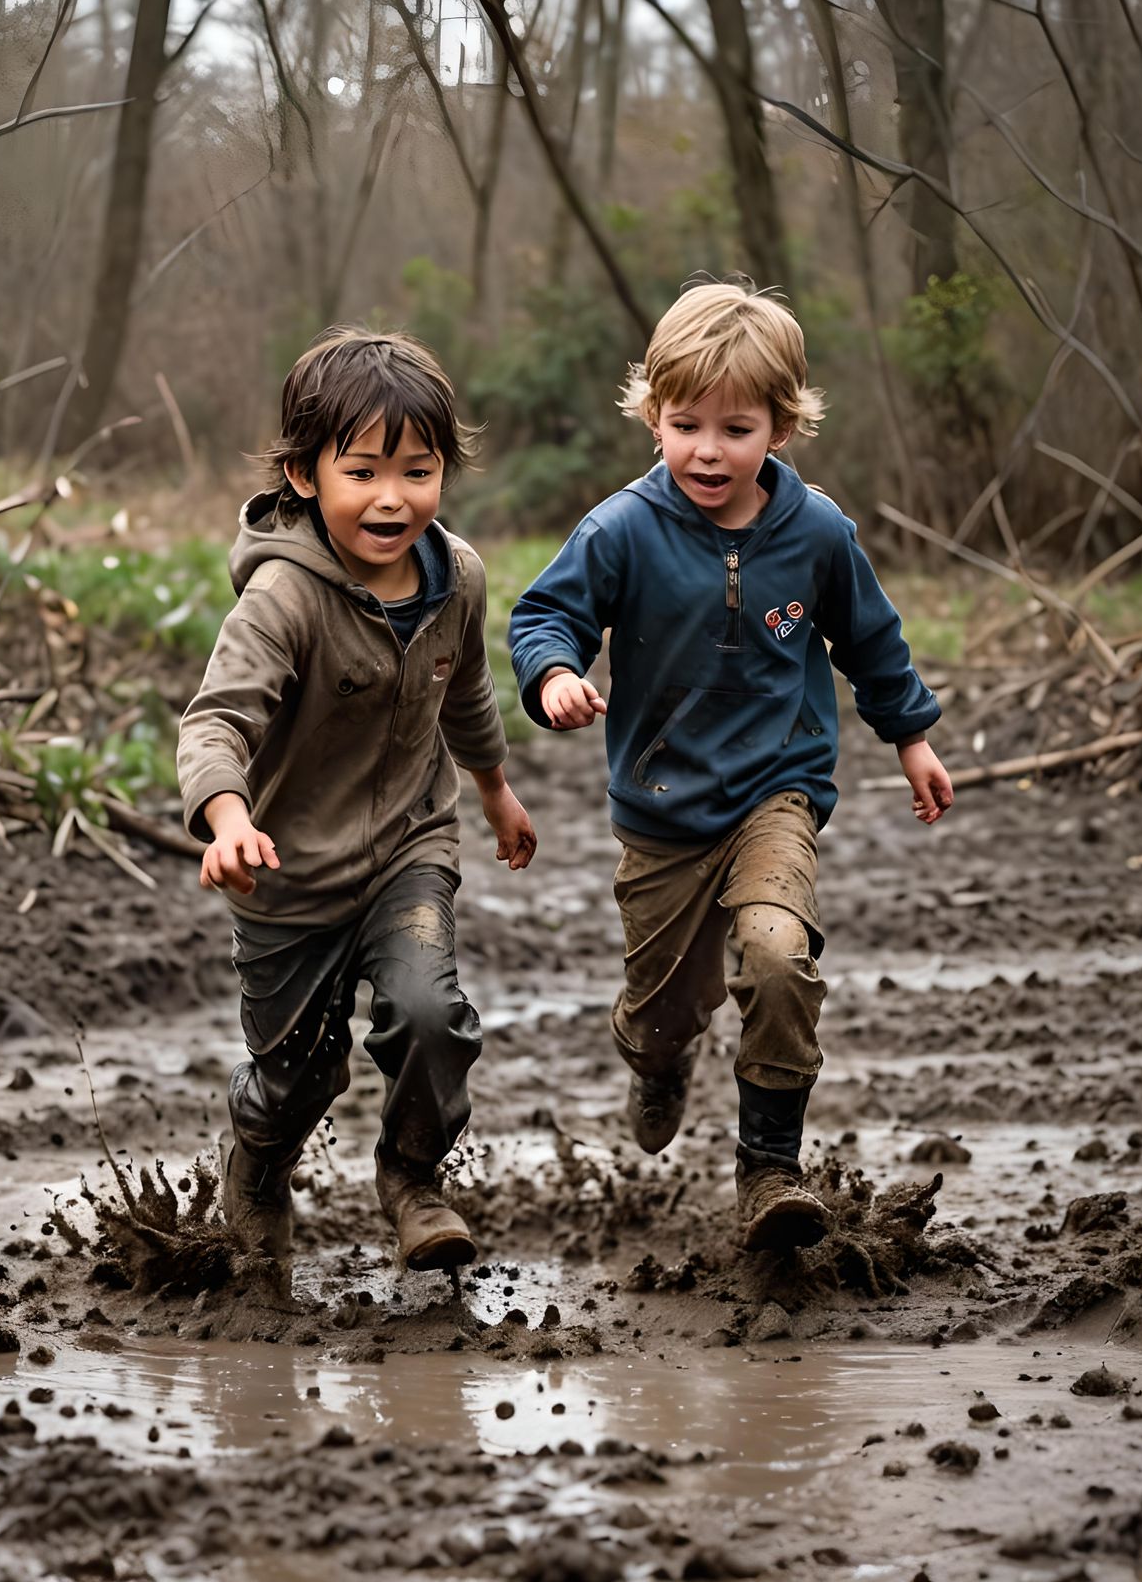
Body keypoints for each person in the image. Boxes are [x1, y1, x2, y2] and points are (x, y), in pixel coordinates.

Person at [508, 279, 952, 1252]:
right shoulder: (621, 529)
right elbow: (546, 616)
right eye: (684, 423)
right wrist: (551, 678)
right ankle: (658, 1061)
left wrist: (909, 734)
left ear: (782, 428)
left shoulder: (818, 533)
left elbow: (869, 641)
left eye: (735, 427)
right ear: (652, 417)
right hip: (661, 810)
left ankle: (767, 1171)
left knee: (777, 957)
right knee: (666, 1012)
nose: (707, 449)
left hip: (774, 794)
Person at [177, 326, 536, 1274]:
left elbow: (464, 691)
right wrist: (229, 818)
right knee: (298, 1076)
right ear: (304, 475)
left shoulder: (455, 576)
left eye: (418, 471)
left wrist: (495, 790)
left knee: (427, 1012)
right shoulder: (283, 599)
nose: (393, 498)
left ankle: (413, 1177)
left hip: (409, 848)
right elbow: (214, 722)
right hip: (285, 874)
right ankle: (256, 1166)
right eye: (364, 470)